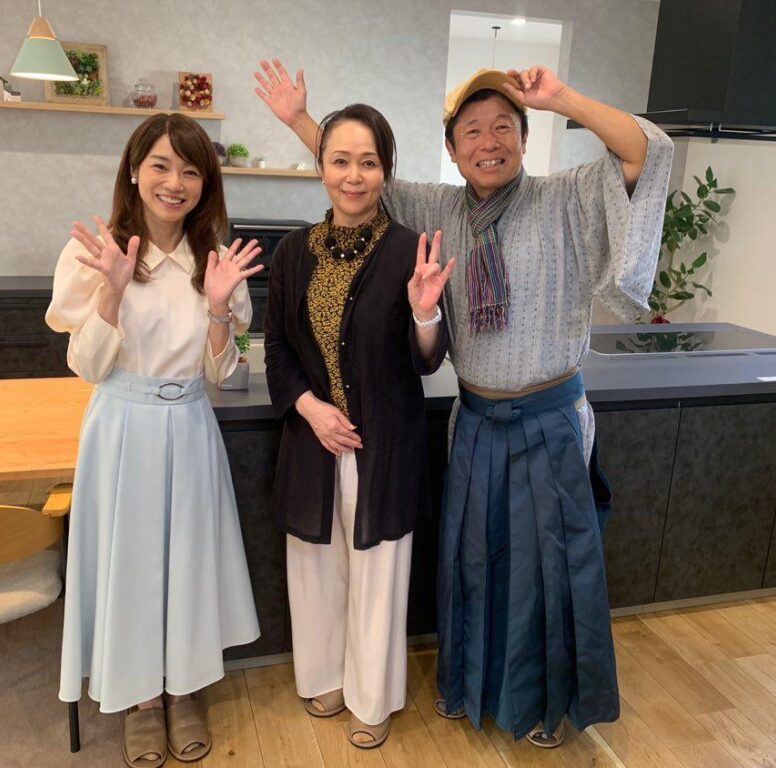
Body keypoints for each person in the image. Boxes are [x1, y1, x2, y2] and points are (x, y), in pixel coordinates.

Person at [255, 60, 673, 747]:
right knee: (474, 566)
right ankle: (471, 689)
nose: (488, 142)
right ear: (451, 149)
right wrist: (301, 120)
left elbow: (645, 152)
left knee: (548, 573)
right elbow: (359, 177)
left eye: (503, 127)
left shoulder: (566, 197)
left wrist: (563, 97)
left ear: (525, 138)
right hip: (475, 420)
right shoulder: (440, 211)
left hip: (549, 420)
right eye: (471, 131)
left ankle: (544, 706)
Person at [46, 113, 262, 767]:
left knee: (187, 560)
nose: (175, 183)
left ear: (206, 184)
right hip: (121, 427)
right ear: (134, 170)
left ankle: (184, 686)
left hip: (190, 425)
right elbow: (88, 368)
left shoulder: (214, 260)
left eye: (191, 171)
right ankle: (141, 700)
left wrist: (219, 307)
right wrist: (111, 294)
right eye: (162, 166)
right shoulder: (95, 252)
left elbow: (222, 375)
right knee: (132, 564)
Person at [263, 103, 452, 749]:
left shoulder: (410, 250)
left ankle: (371, 697)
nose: (353, 175)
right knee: (315, 569)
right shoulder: (293, 252)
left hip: (385, 445)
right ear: (320, 166)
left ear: (385, 171)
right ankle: (325, 677)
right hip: (312, 442)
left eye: (368, 162)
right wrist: (310, 409)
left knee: (378, 574)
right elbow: (277, 348)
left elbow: (428, 361)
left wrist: (425, 313)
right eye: (340, 161)